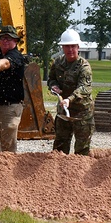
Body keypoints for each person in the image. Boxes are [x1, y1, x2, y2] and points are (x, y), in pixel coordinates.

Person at [47, 28, 94, 156]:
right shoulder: (57, 63)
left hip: (81, 112)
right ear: (62, 48)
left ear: (78, 47)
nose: (70, 50)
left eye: (73, 46)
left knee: (82, 150)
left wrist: (69, 99)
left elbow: (84, 88)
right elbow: (51, 79)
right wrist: (54, 86)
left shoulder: (84, 66)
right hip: (64, 112)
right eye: (67, 46)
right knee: (60, 147)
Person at [0, 25, 27, 153]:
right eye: (2, 38)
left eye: (9, 38)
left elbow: (6, 63)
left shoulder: (16, 56)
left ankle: (7, 170)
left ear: (15, 41)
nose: (5, 41)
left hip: (11, 107)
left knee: (8, 146)